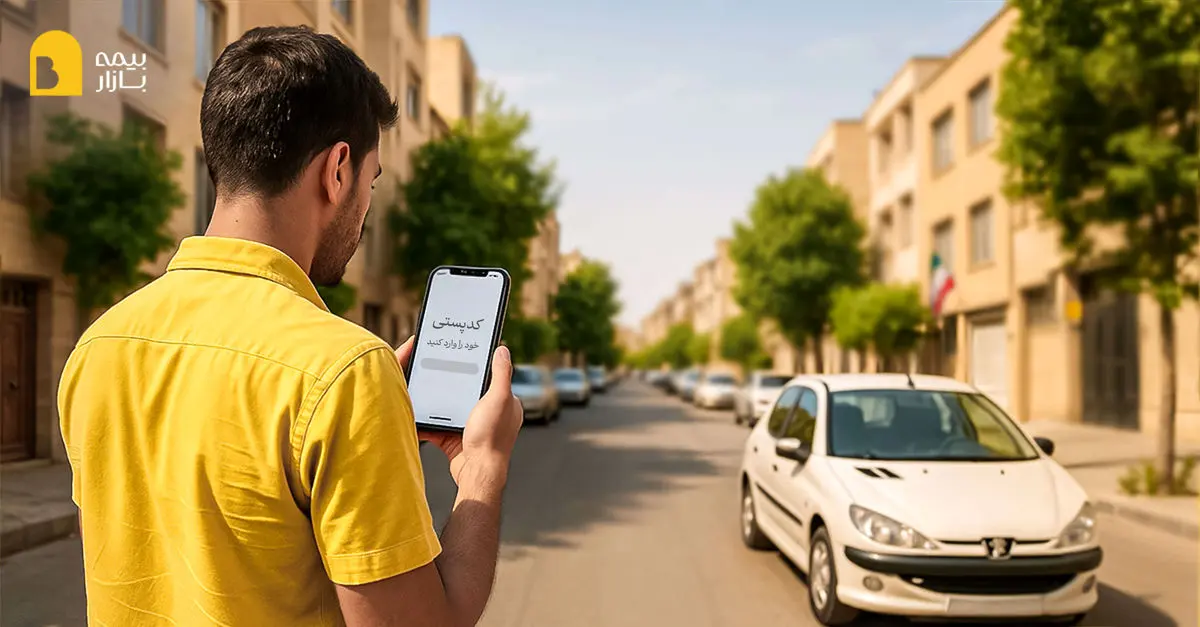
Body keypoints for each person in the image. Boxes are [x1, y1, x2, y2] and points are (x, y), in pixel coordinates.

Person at [57, 26, 522, 626]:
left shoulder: (99, 345)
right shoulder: (343, 373)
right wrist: (484, 469)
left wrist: (370, 437)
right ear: (337, 169)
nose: (365, 208)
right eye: (372, 182)